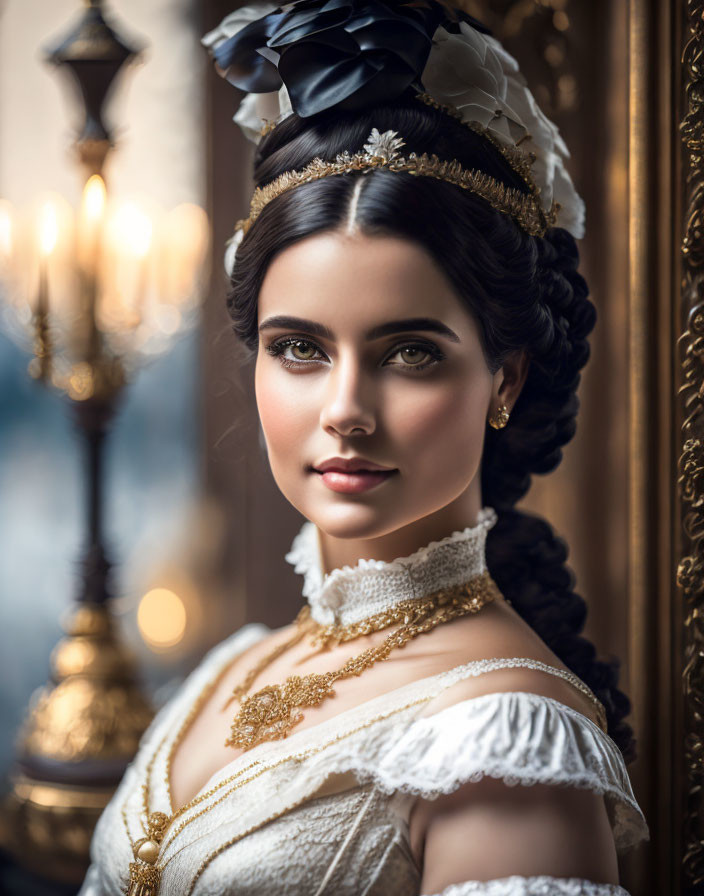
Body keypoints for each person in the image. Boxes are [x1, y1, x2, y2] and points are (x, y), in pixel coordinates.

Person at [78, 2, 649, 894]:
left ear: (505, 378)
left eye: (410, 354)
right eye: (299, 348)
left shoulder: (503, 743)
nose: (345, 409)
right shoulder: (234, 663)